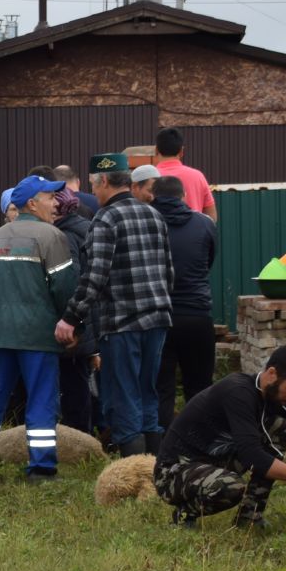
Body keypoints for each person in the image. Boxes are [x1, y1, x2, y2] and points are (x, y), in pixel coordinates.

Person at [153, 343, 286, 529]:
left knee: (279, 428)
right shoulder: (238, 392)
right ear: (272, 373)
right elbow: (252, 456)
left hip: (214, 462)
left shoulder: (281, 398)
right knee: (230, 487)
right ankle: (185, 515)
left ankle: (250, 515)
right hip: (173, 472)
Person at [58, 154, 174, 457]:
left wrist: (71, 318)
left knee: (124, 395)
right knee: (148, 391)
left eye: (95, 186)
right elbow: (168, 271)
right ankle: (154, 464)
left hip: (122, 323)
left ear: (105, 181)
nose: (93, 193)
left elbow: (94, 276)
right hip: (158, 319)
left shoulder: (105, 219)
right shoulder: (154, 215)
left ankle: (133, 467)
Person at [0, 174, 77, 480]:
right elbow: (65, 289)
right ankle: (42, 468)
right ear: (32, 202)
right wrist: (73, 324)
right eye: (49, 197)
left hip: (0, 335)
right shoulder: (52, 237)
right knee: (41, 400)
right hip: (38, 335)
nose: (56, 203)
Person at [153, 174, 217, 426]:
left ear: (153, 196)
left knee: (161, 388)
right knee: (200, 388)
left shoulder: (148, 222)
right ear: (184, 197)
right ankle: (201, 445)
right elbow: (208, 260)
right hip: (197, 314)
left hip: (159, 316)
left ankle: (161, 450)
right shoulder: (204, 224)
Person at [49, 178, 101, 434]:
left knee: (73, 386)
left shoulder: (64, 237)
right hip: (90, 319)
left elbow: (70, 282)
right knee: (81, 382)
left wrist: (71, 322)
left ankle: (78, 439)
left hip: (74, 324)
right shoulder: (86, 227)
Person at [153, 127, 216, 220]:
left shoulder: (149, 178)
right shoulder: (197, 176)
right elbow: (212, 217)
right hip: (194, 232)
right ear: (182, 151)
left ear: (156, 150)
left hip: (159, 233)